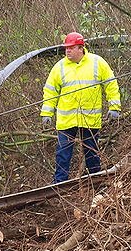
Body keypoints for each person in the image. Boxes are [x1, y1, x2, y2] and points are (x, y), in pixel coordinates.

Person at [40, 32, 121, 183]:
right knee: (63, 153)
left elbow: (111, 84)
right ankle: (59, 184)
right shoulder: (59, 67)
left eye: (71, 48)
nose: (67, 51)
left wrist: (114, 107)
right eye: (66, 48)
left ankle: (95, 181)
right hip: (66, 120)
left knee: (91, 153)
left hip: (90, 118)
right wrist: (47, 112)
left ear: (80, 48)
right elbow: (50, 91)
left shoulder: (97, 62)